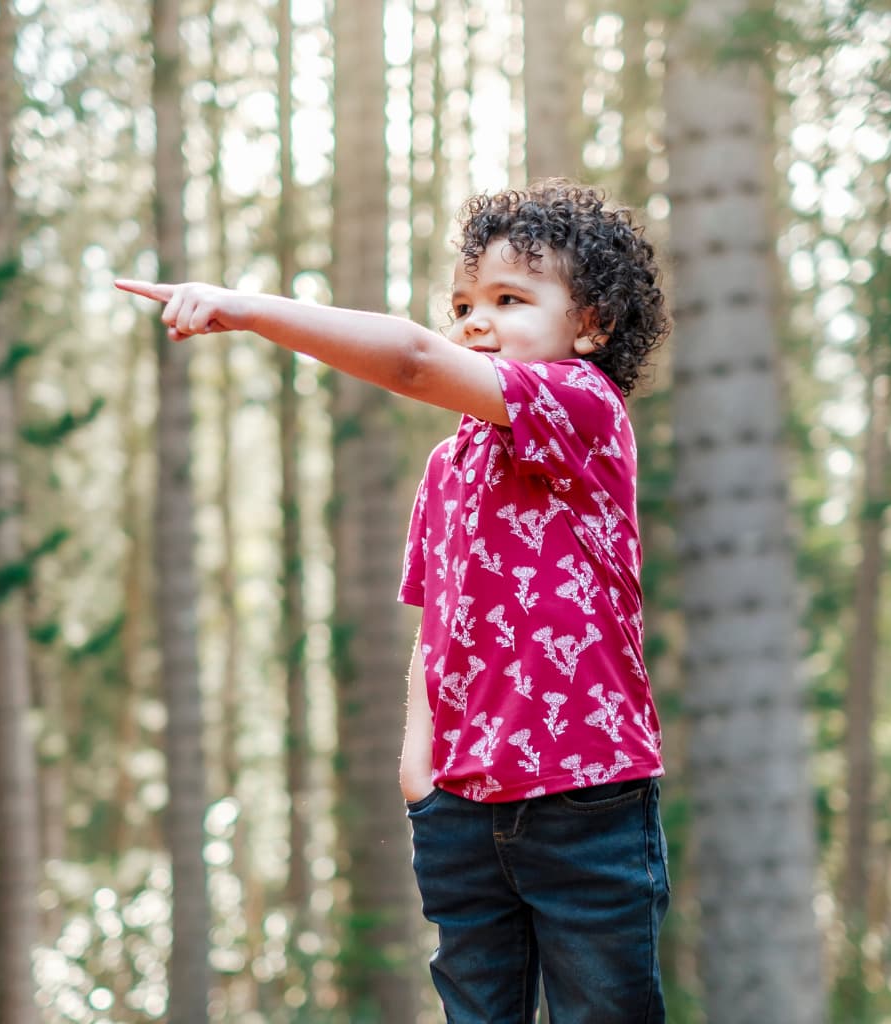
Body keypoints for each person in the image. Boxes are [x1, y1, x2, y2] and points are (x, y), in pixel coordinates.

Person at [117, 178, 673, 1023]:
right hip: (461, 808)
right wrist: (422, 769)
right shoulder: (450, 467)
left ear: (589, 326)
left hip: (583, 799)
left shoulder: (583, 407)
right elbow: (437, 618)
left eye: (509, 298)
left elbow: (413, 360)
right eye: (463, 303)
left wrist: (249, 309)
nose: (475, 319)